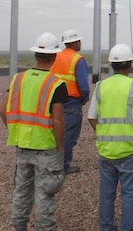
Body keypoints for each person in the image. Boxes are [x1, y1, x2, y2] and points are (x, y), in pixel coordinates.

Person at [0, 32, 68, 231]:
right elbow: (58, 120)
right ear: (54, 57)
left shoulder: (17, 79)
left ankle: (18, 227)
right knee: (45, 194)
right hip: (46, 148)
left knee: (21, 191)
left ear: (36, 55)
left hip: (22, 146)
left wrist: (15, 129)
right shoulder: (56, 84)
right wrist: (60, 146)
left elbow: (3, 109)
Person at [87, 44, 133, 231]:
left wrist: (102, 134)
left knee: (106, 193)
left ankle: (106, 227)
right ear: (129, 64)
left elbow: (91, 117)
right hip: (130, 150)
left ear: (112, 65)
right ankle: (128, 227)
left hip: (106, 151)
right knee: (129, 193)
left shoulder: (100, 87)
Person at [50, 29, 90, 174]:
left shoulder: (56, 56)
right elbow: (83, 85)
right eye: (79, 40)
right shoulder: (78, 59)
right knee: (69, 134)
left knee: (55, 130)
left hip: (54, 100)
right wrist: (85, 98)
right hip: (71, 101)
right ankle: (64, 165)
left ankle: (53, 161)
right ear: (74, 42)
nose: (80, 43)